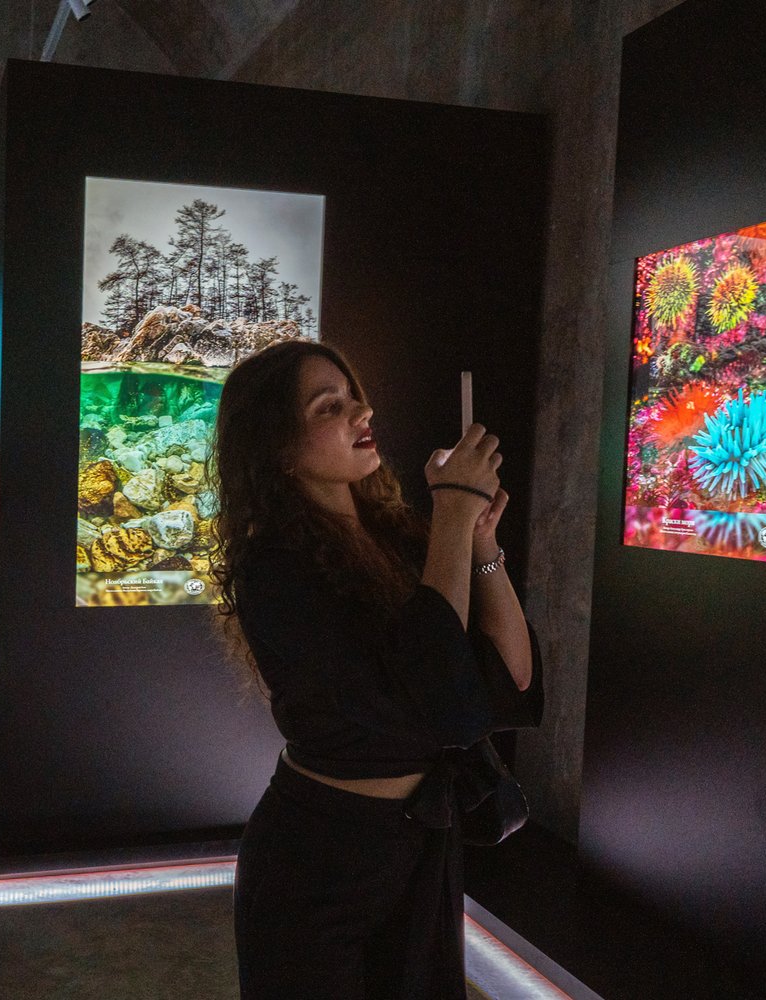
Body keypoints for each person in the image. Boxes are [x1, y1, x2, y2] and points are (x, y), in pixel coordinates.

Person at [209, 339, 543, 999]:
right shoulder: (272, 568)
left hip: (419, 847)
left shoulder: (397, 537)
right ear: (280, 449)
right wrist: (453, 512)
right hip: (320, 859)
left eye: (353, 396)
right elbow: (441, 701)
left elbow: (512, 681)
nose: (361, 411)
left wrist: (479, 541)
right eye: (329, 406)